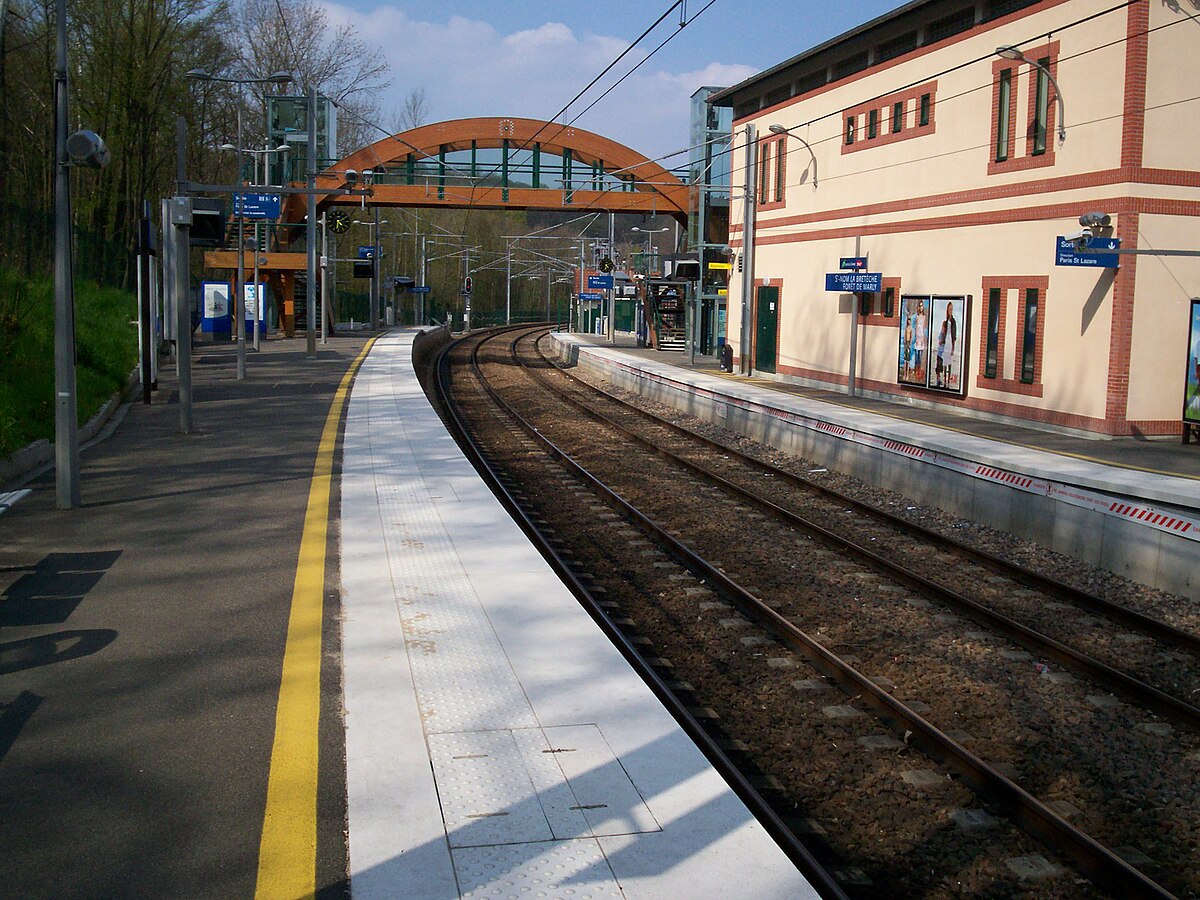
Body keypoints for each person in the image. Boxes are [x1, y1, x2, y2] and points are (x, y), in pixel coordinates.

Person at [935, 302, 957, 388]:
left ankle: (947, 381)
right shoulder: (946, 320)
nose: (950, 311)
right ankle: (943, 380)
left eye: (951, 309)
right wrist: (942, 340)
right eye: (949, 309)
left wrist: (953, 348)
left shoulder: (953, 321)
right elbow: (942, 335)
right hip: (944, 344)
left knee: (949, 363)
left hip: (949, 344)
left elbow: (954, 335)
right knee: (943, 363)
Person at [913, 299, 927, 382]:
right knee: (916, 358)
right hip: (917, 338)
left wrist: (923, 339)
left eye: (922, 306)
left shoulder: (924, 317)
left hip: (921, 338)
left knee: (920, 357)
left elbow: (924, 328)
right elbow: (915, 327)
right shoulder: (916, 317)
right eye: (920, 306)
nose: (921, 308)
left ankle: (919, 373)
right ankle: (915, 372)